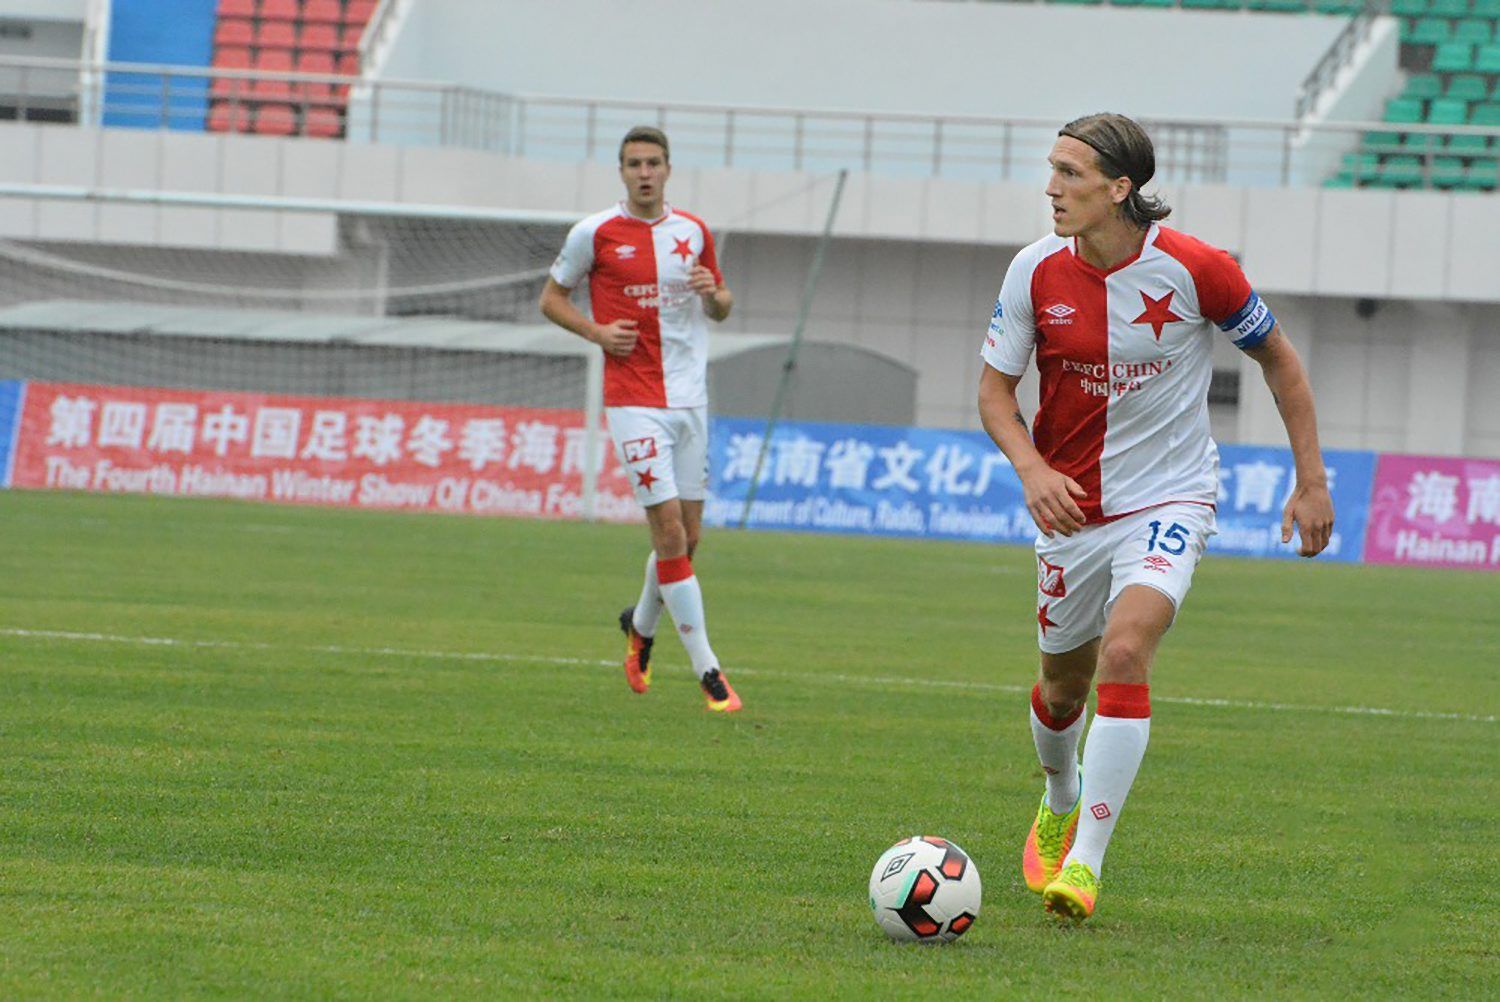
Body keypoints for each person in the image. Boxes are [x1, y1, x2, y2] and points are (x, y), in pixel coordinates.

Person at [977, 113, 1334, 921]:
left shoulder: (1198, 269)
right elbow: (994, 392)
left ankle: (1085, 865)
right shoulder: (1033, 271)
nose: (1051, 187)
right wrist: (1032, 469)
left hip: (1171, 496)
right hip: (1072, 512)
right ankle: (1059, 796)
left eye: (1070, 173)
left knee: (1127, 649)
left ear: (1120, 188)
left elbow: (1280, 361)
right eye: (1052, 169)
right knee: (1061, 690)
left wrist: (1311, 481)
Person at [539, 125, 741, 712]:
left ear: (668, 169)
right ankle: (709, 672)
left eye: (654, 163)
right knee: (669, 532)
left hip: (690, 399)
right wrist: (597, 333)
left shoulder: (693, 232)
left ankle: (641, 626)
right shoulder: (594, 233)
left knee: (688, 539)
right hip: (633, 400)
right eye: (635, 164)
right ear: (622, 172)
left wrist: (713, 294)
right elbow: (550, 298)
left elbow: (723, 306)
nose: (645, 172)